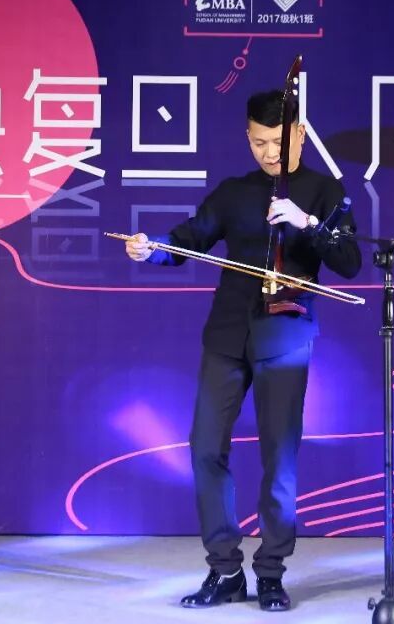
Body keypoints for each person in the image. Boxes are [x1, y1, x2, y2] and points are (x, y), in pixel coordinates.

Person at [126, 89, 361, 612]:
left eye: (278, 141)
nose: (269, 153)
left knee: (280, 456)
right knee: (205, 448)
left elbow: (348, 261)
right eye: (259, 142)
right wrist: (152, 248)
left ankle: (271, 572)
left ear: (300, 134)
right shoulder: (234, 192)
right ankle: (225, 569)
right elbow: (189, 238)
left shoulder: (324, 191)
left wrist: (307, 224)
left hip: (286, 335)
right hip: (227, 335)